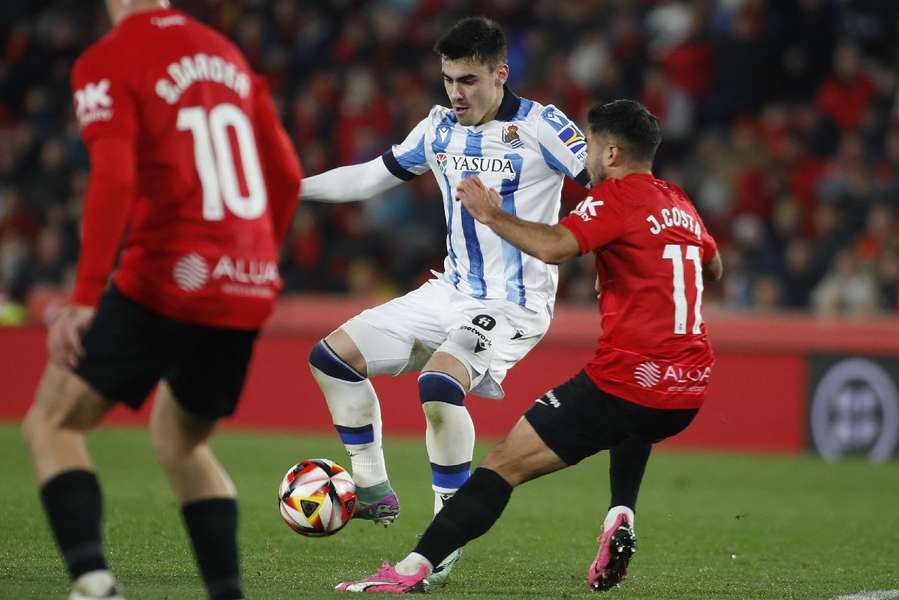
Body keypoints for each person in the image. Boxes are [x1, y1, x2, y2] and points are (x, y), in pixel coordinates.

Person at [335, 99, 723, 593]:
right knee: (636, 413)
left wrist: (491, 214)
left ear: (610, 152)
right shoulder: (680, 203)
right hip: (689, 388)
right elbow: (712, 267)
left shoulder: (615, 198)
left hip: (628, 380)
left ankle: (412, 568)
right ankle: (621, 510)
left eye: (589, 148)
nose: (583, 161)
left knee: (503, 465)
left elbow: (554, 246)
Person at [20, 2, 302, 599]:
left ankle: (94, 583)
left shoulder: (108, 58)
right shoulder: (227, 53)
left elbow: (115, 176)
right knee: (182, 442)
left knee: (52, 423)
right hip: (246, 284)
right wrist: (254, 261)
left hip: (167, 272)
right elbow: (285, 171)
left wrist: (85, 297)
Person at [301, 16, 589, 586]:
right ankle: (372, 487)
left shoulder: (544, 128)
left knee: (437, 384)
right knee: (330, 359)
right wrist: (294, 189)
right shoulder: (436, 128)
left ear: (501, 74)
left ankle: (444, 536)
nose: (456, 93)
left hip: (514, 303)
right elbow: (370, 178)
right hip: (448, 290)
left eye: (469, 80)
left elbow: (613, 190)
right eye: (448, 80)